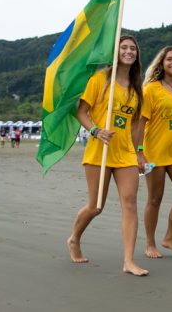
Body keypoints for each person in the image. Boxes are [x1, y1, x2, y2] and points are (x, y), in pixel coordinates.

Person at [66, 35, 148, 276]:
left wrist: (139, 154)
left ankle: (129, 261)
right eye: (124, 47)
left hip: (125, 154)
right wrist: (95, 130)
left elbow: (135, 127)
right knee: (96, 206)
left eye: (133, 48)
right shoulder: (100, 79)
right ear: (116, 51)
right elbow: (81, 111)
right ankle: (74, 239)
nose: (129, 51)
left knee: (130, 203)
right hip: (99, 151)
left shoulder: (136, 88)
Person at [137, 46, 172, 259]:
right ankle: (150, 244)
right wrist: (139, 152)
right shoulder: (151, 89)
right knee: (155, 198)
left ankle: (169, 237)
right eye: (169, 59)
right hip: (154, 153)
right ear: (161, 63)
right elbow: (140, 124)